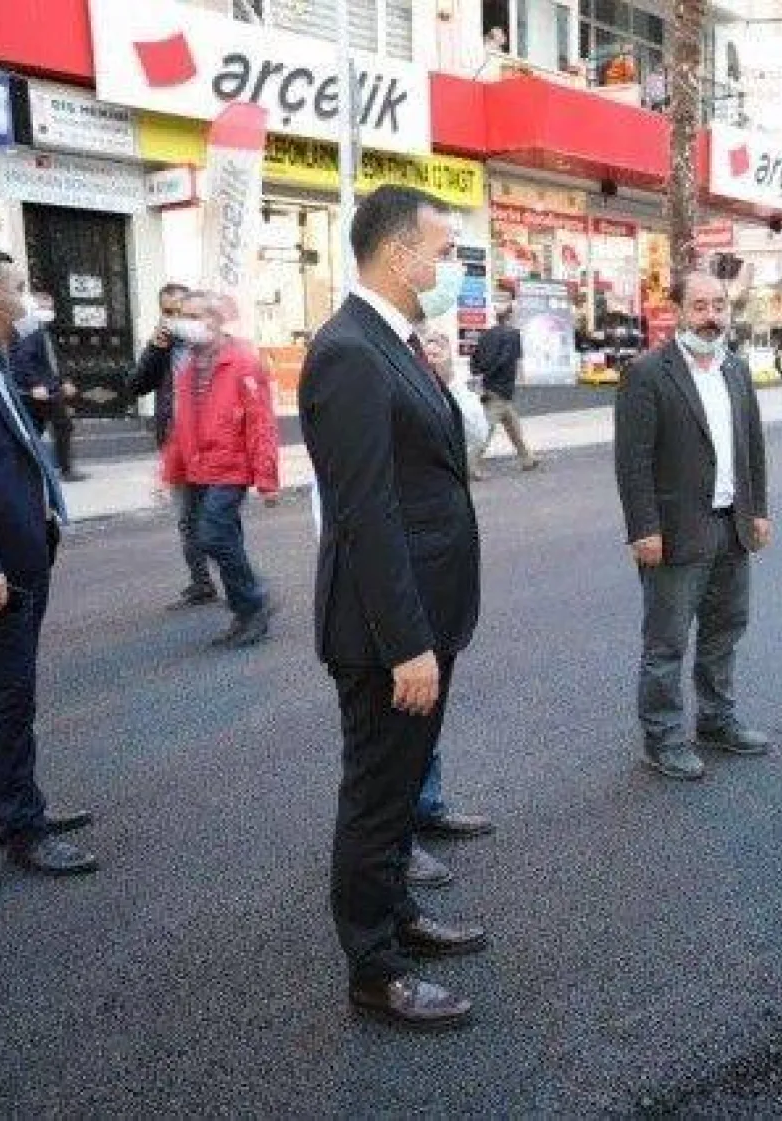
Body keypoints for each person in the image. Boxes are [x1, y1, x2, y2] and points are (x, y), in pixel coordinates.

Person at [300, 184, 485, 1030]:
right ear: (395, 254)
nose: (451, 270)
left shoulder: (397, 343)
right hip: (387, 633)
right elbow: (364, 510)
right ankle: (373, 969)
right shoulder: (348, 350)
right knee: (376, 796)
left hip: (423, 613)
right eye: (443, 254)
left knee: (403, 784)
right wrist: (407, 642)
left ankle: (398, 915)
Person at [614, 271, 772, 781]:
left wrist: (759, 510)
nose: (711, 316)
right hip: (676, 531)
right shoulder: (647, 373)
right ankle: (662, 740)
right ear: (678, 311)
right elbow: (632, 461)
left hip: (732, 526)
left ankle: (717, 721)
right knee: (666, 644)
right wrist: (643, 529)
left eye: (719, 305)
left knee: (724, 632)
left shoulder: (736, 369)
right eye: (700, 305)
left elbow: (753, 448)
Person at [0, 248, 95, 875]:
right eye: (21, 289)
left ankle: (0, 807)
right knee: (9, 696)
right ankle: (23, 826)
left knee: (0, 692)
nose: (30, 301)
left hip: (23, 551)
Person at [406, 328, 494, 890]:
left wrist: (451, 381)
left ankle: (425, 805)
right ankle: (396, 840)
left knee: (427, 703)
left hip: (438, 568)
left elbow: (475, 440)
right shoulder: (369, 368)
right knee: (393, 717)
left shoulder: (438, 387)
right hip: (396, 572)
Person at [158, 292, 280, 649]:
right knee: (222, 537)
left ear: (215, 319)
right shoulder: (188, 366)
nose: (186, 321)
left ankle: (253, 601)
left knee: (212, 535)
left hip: (231, 466)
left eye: (194, 315)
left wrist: (267, 480)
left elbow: (262, 424)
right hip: (200, 468)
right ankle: (247, 612)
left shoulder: (242, 361)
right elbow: (181, 426)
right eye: (183, 315)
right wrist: (170, 472)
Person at [128, 282, 216, 609]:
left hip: (212, 447)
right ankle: (201, 583)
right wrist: (155, 348)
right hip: (176, 446)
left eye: (183, 311)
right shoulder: (162, 349)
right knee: (189, 519)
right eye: (169, 312)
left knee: (219, 520)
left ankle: (245, 585)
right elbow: (136, 386)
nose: (177, 317)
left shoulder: (212, 346)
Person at [9, 291, 87, 483]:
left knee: (50, 427)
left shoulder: (45, 330)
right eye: (43, 308)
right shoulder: (28, 331)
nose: (48, 312)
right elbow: (21, 360)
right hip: (37, 391)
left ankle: (51, 468)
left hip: (50, 389)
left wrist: (65, 380)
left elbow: (53, 360)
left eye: (50, 308)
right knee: (53, 427)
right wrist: (34, 384)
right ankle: (60, 469)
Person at [467, 306, 537, 479]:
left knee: (512, 424)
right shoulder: (513, 334)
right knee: (486, 429)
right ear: (511, 316)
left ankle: (526, 458)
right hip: (501, 388)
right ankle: (470, 464)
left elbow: (474, 359)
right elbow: (509, 360)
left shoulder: (486, 335)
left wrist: (481, 375)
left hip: (489, 386)